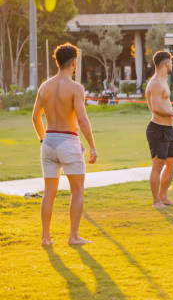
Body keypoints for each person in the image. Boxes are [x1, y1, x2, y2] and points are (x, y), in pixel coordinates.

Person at [32, 43, 97, 246]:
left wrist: (44, 139)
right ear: (74, 63)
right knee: (77, 190)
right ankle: (73, 236)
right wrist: (92, 147)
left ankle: (46, 237)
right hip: (68, 141)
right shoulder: (76, 88)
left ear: (57, 62)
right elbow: (83, 120)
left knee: (48, 193)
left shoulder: (44, 87)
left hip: (49, 140)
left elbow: (35, 118)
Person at [145, 51, 173, 208]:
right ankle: (156, 201)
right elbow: (156, 108)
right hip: (157, 129)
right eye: (171, 63)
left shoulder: (163, 81)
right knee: (158, 164)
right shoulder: (155, 83)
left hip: (168, 129)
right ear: (166, 64)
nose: (172, 66)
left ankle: (163, 197)